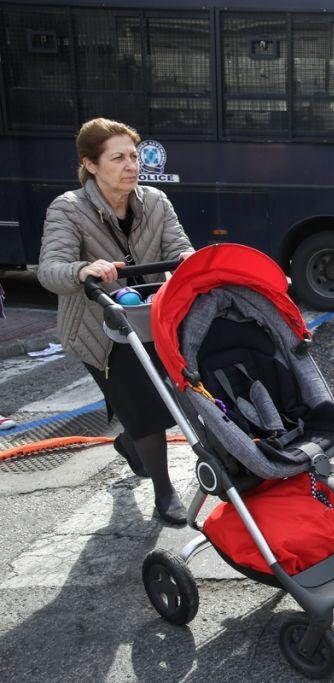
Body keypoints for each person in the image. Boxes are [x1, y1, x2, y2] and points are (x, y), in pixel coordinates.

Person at [38, 118, 194, 524]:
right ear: (91, 164)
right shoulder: (68, 209)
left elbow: (179, 246)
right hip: (99, 329)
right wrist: (83, 270)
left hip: (153, 318)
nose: (131, 165)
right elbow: (50, 269)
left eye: (134, 156)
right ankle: (164, 490)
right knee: (144, 404)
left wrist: (186, 260)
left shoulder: (156, 201)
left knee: (176, 393)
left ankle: (129, 441)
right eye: (118, 158)